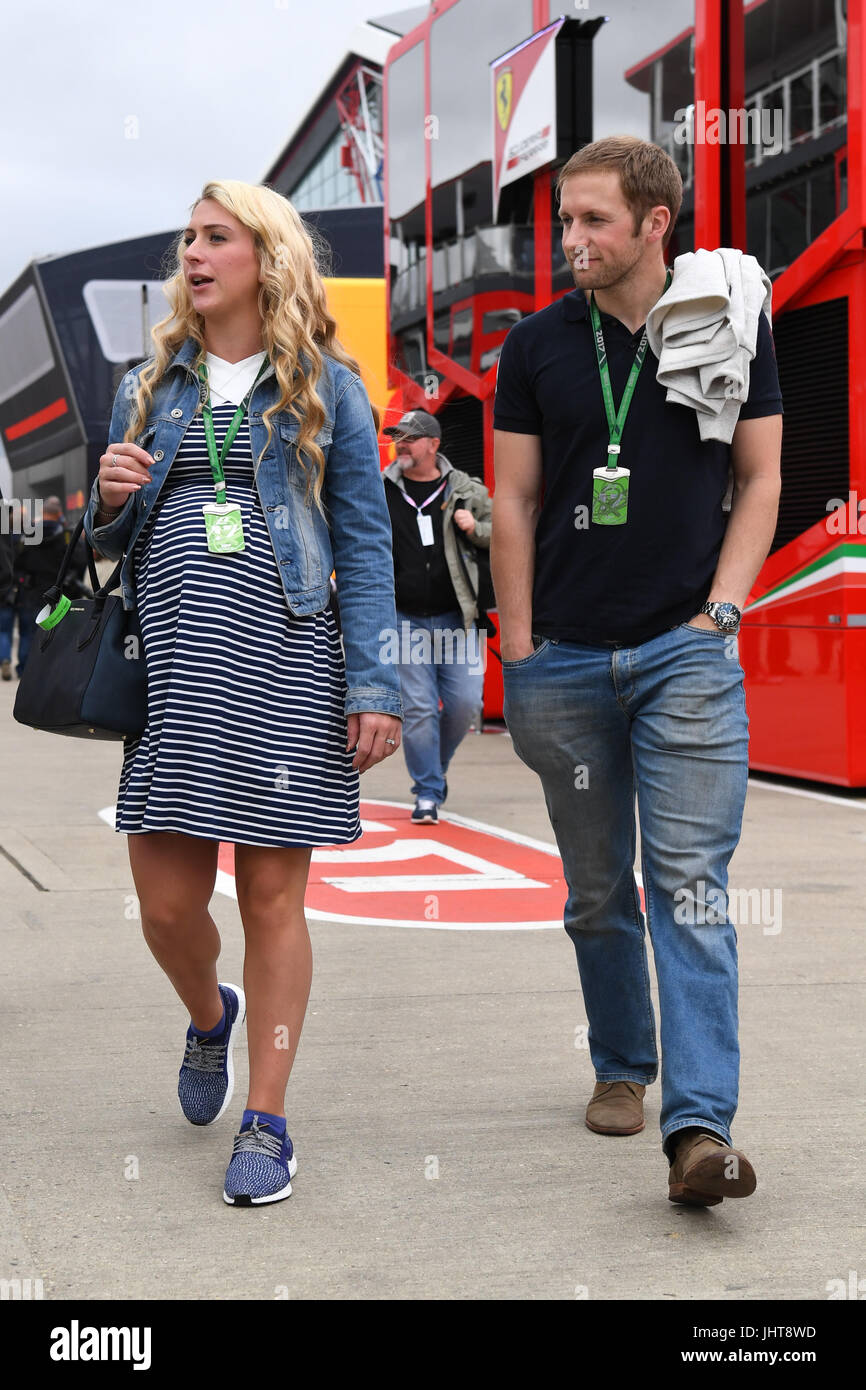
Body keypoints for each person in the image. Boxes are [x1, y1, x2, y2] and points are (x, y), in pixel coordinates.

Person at [83, 179, 403, 1207]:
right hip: (173, 674)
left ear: (266, 257)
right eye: (188, 236)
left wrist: (376, 682)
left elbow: (364, 538)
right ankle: (209, 1016)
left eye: (216, 237)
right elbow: (108, 542)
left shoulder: (329, 389)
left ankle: (266, 1118)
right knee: (167, 907)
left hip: (288, 670)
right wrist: (107, 499)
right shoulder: (149, 384)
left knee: (273, 897)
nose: (193, 252)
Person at [492, 136, 783, 1206]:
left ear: (655, 222)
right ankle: (621, 1061)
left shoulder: (724, 321)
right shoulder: (532, 349)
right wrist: (516, 647)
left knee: (690, 884)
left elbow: (758, 478)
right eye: (562, 223)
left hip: (683, 652)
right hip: (562, 654)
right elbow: (512, 503)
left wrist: (720, 612)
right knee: (597, 889)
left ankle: (698, 1127)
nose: (571, 242)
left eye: (593, 222)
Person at [382, 409, 491, 824]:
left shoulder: (466, 490)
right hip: (404, 619)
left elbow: (504, 531)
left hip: (458, 619)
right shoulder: (381, 489)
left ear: (434, 445)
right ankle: (427, 791)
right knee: (419, 709)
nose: (402, 444)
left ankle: (434, 772)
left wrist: (473, 528)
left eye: (411, 437)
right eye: (398, 437)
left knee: (465, 704)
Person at [13, 496, 88, 677]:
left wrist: (24, 582)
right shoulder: (68, 536)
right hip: (63, 595)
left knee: (29, 635)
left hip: (33, 593)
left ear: (42, 513)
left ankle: (26, 671)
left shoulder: (28, 536)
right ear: (59, 514)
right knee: (62, 636)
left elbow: (17, 564)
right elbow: (80, 561)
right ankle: (58, 672)